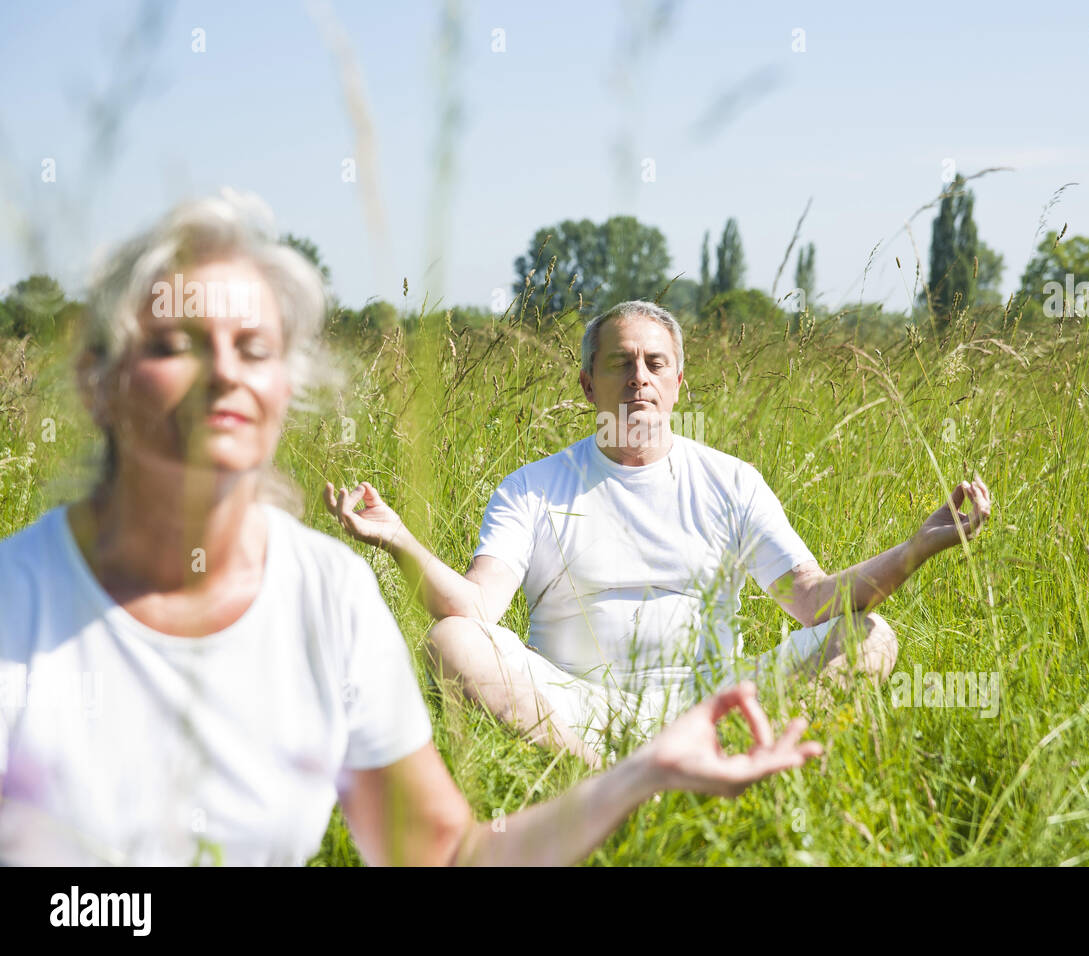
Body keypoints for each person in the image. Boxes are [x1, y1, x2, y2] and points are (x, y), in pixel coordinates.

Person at [0, 191, 822, 866]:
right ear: (98, 380)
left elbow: (448, 855)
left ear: (289, 387)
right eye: (179, 343)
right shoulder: (19, 603)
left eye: (254, 347)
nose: (223, 372)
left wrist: (641, 777)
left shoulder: (330, 594)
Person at [327, 300, 992, 768]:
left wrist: (914, 549)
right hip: (574, 710)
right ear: (588, 385)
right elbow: (476, 610)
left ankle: (731, 760)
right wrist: (400, 541)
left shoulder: (731, 481)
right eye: (620, 364)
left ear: (678, 383)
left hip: (719, 706)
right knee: (451, 640)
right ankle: (608, 779)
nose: (638, 379)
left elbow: (814, 601)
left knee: (869, 635)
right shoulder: (532, 488)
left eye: (654, 364)